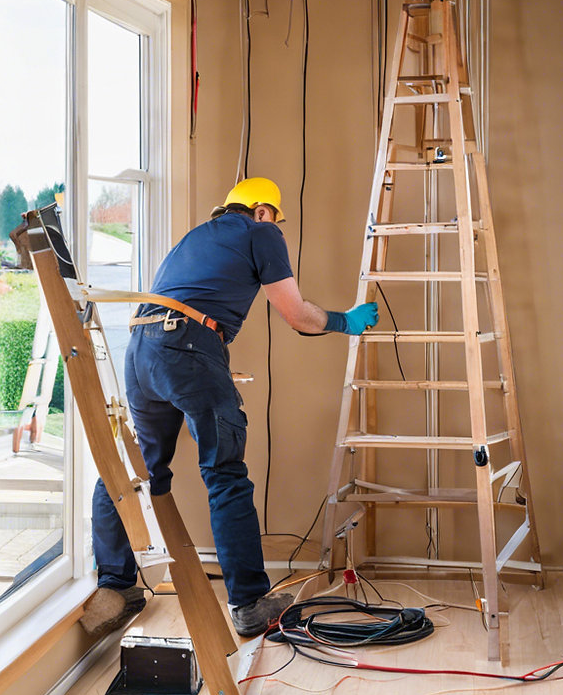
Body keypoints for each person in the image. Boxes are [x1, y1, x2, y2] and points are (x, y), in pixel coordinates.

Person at [80, 176, 379, 638]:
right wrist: (345, 321)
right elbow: (297, 315)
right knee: (224, 472)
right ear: (262, 210)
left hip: (141, 350)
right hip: (188, 344)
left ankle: (116, 587)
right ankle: (249, 603)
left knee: (137, 469)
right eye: (274, 217)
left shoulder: (196, 237)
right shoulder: (262, 232)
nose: (275, 225)